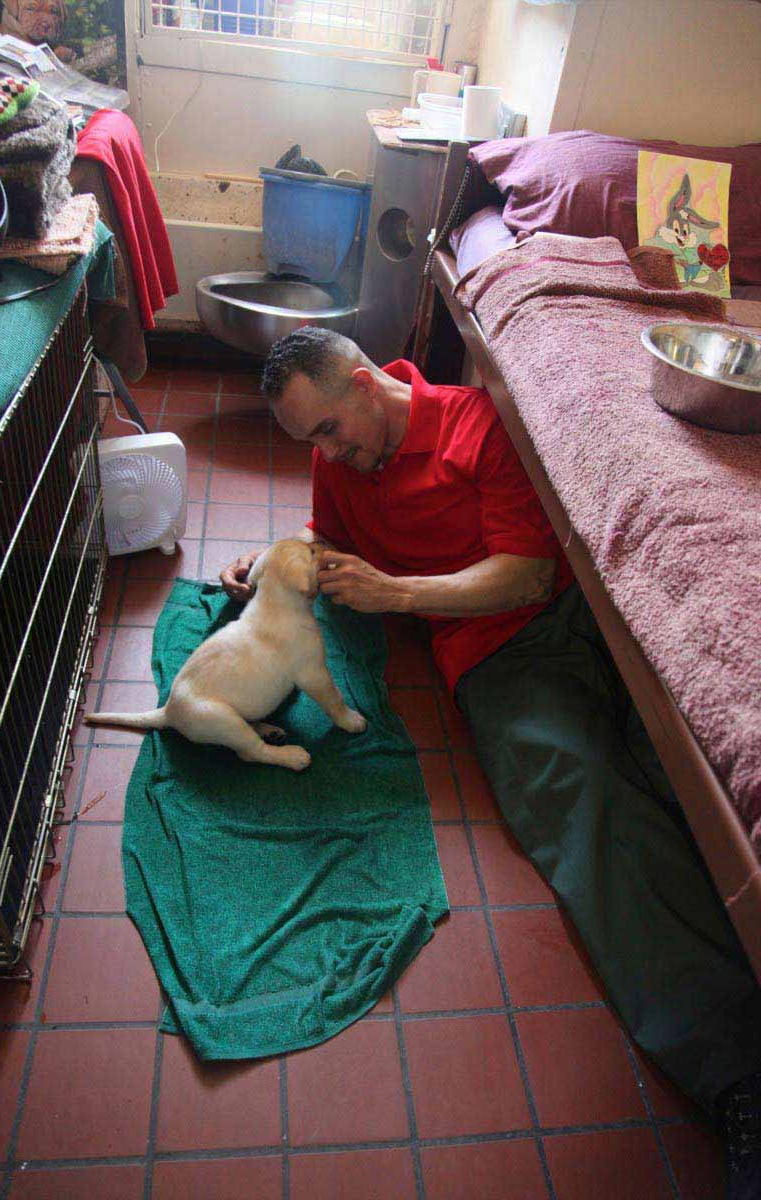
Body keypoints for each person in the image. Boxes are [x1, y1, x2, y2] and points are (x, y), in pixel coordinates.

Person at [220, 327, 761, 1200]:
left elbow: (527, 575)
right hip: (498, 661)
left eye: (328, 430)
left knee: (689, 778)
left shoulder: (479, 424)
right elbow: (329, 531)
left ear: (365, 384)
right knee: (583, 811)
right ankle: (739, 1078)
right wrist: (273, 562)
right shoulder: (342, 461)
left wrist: (395, 592)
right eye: (309, 443)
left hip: (571, 611)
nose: (327, 453)